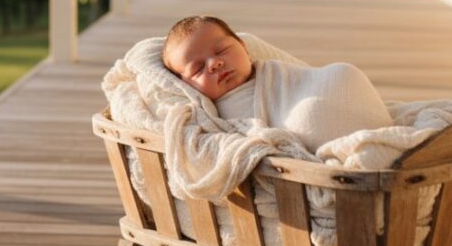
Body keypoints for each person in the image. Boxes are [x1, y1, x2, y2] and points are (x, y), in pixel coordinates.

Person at [161, 14, 393, 150]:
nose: (214, 64)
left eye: (221, 50)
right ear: (186, 86)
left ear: (244, 47)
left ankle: (373, 132)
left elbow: (308, 76)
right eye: (198, 69)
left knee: (343, 73)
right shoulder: (218, 114)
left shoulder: (272, 72)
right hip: (310, 121)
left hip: (328, 90)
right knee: (308, 115)